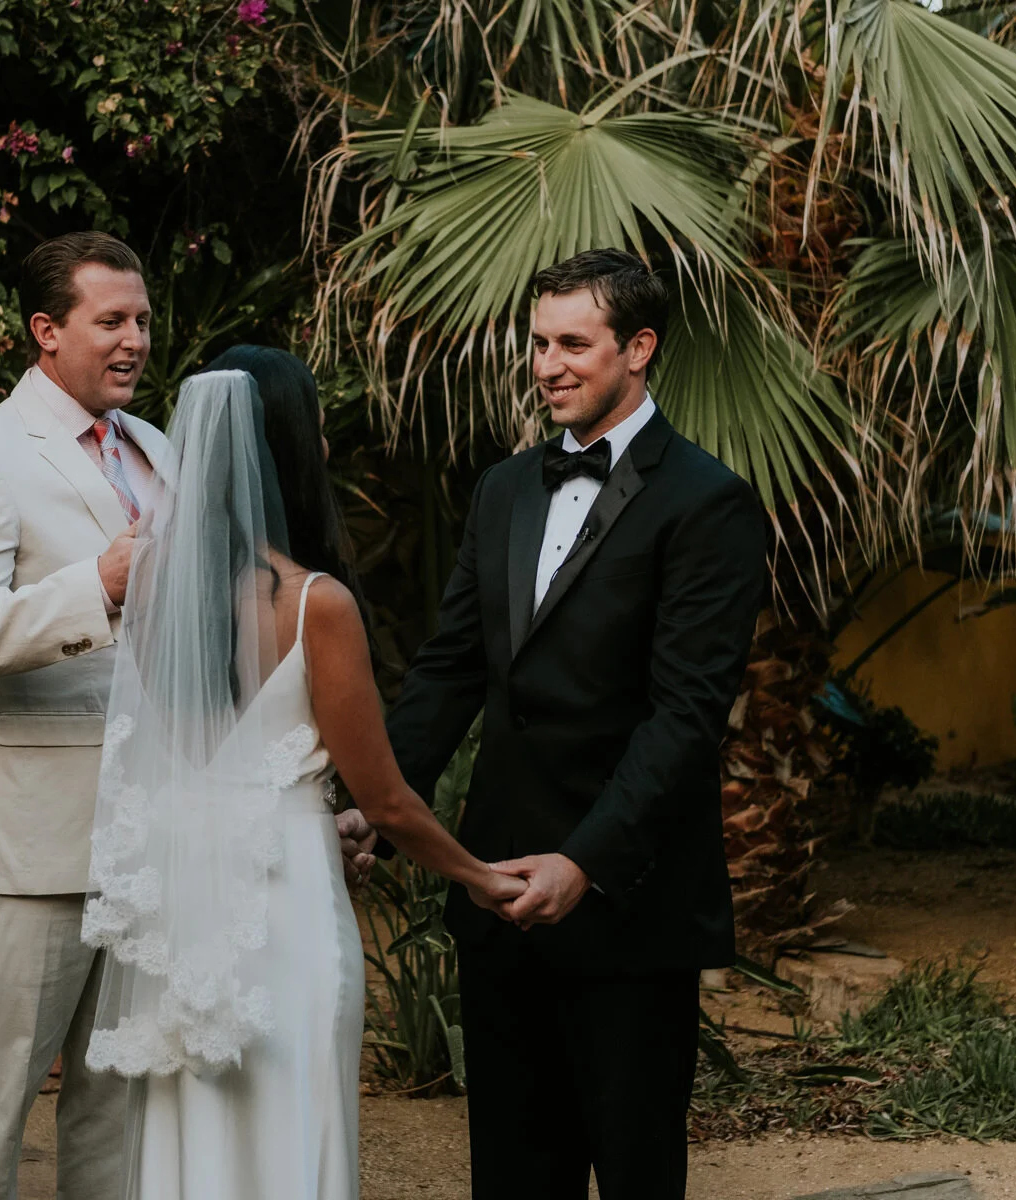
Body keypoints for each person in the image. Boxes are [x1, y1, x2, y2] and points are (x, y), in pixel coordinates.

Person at [0, 237, 370, 1198]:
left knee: (120, 1116)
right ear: (47, 331)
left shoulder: (162, 448)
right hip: (31, 851)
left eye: (143, 321)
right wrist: (100, 586)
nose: (135, 341)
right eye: (110, 321)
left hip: (161, 853)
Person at [77, 346, 525, 1200]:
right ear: (284, 446)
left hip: (190, 916)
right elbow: (387, 799)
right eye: (315, 428)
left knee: (198, 1135)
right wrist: (480, 877)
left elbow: (189, 761)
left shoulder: (153, 585)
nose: (323, 444)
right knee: (295, 1127)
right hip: (289, 919)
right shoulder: (316, 603)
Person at [374, 248, 771, 1199]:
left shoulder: (709, 503)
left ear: (639, 348)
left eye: (572, 345)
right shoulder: (504, 488)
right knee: (513, 1177)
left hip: (629, 903)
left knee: (635, 1174)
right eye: (539, 343)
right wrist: (377, 804)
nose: (547, 365)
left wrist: (584, 862)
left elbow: (685, 719)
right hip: (497, 893)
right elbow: (452, 667)